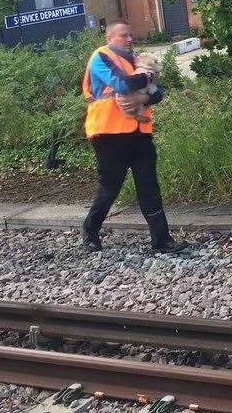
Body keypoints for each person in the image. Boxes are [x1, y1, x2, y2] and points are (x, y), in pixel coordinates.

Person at [80, 20, 187, 254]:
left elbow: (159, 92)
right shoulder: (101, 57)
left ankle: (162, 240)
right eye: (123, 36)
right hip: (108, 134)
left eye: (130, 35)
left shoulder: (136, 60)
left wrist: (144, 98)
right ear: (109, 38)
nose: (130, 39)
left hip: (139, 134)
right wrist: (148, 79)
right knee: (110, 188)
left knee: (149, 187)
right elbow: (122, 84)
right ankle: (90, 231)